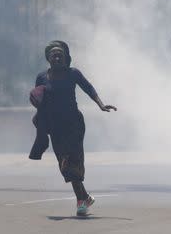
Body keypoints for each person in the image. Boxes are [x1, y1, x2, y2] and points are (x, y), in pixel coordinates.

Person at [29, 40, 117, 216]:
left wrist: (100, 104)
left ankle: (80, 203)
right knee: (64, 164)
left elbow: (88, 88)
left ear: (65, 57)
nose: (56, 57)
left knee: (71, 162)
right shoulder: (41, 77)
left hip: (74, 124)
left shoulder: (73, 73)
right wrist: (40, 118)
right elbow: (39, 100)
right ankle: (84, 196)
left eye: (60, 54)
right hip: (55, 126)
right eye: (53, 55)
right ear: (48, 58)